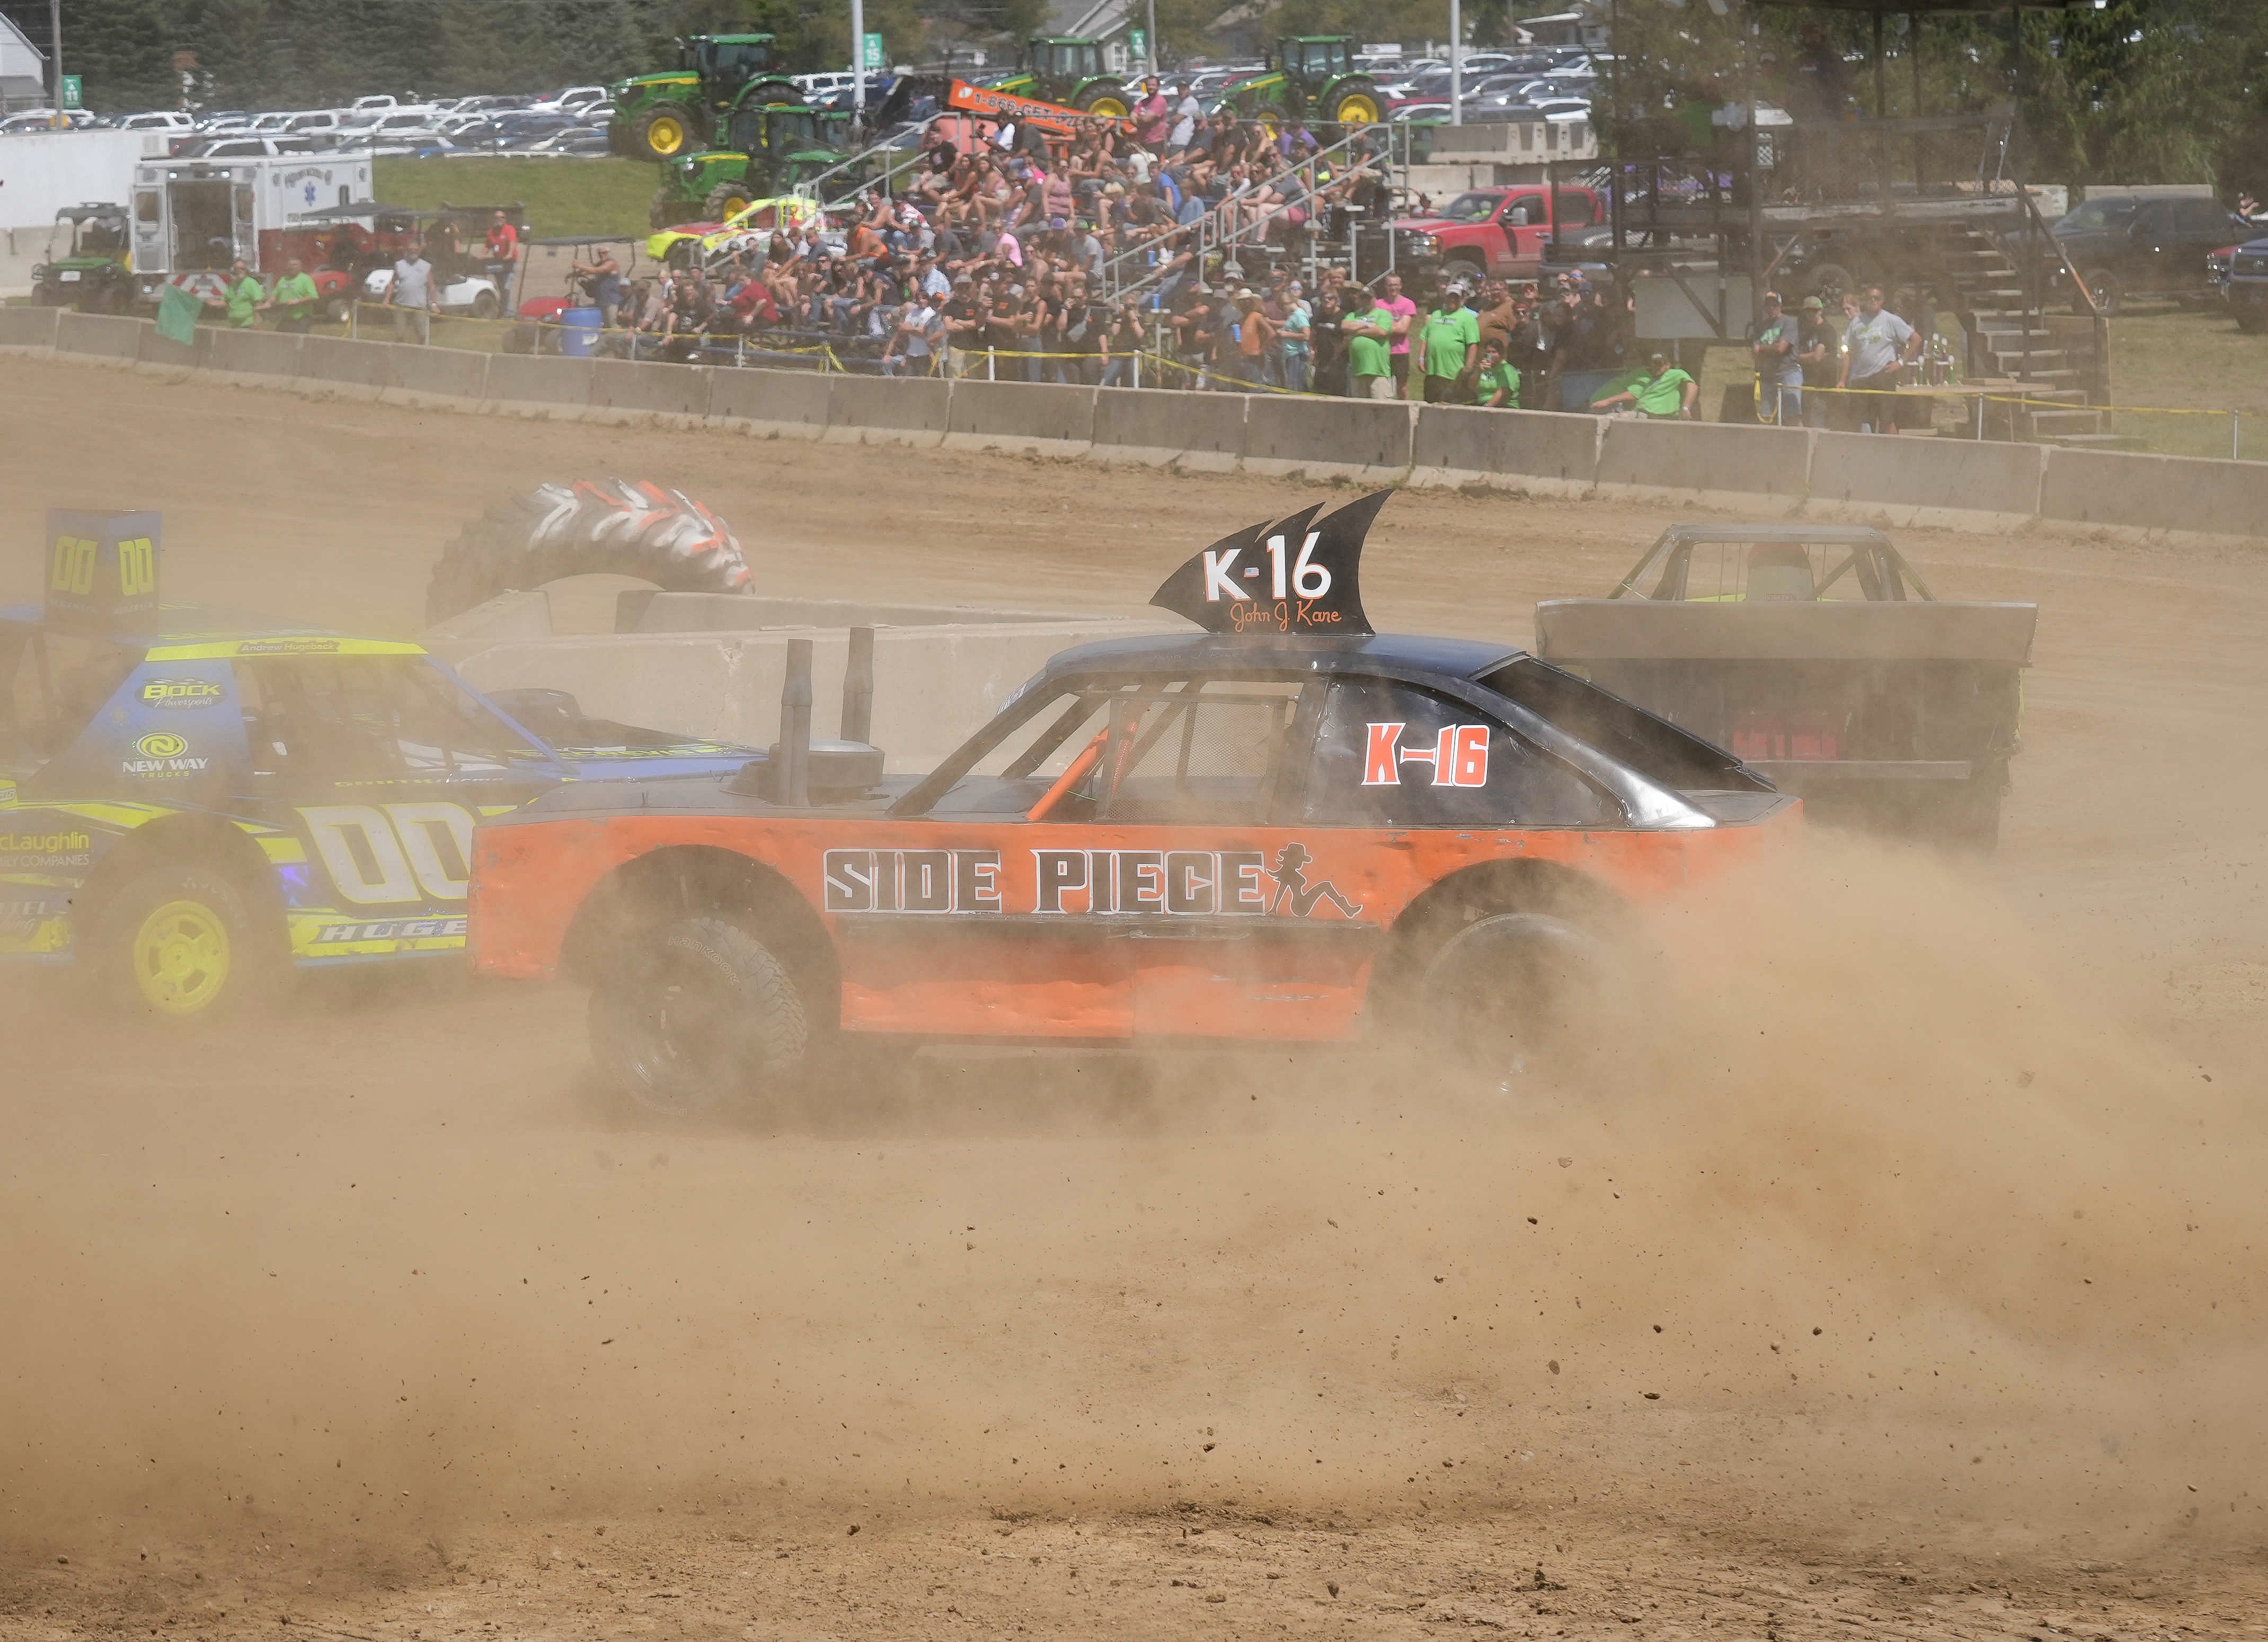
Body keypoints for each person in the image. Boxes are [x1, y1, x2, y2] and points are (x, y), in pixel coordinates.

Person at [1839, 284, 1920, 434]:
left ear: (1882, 300)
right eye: (1870, 298)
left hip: (1883, 374)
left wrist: (1901, 362)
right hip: (1861, 378)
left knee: (1886, 419)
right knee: (1859, 420)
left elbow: (1915, 339)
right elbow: (1848, 353)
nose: (1873, 301)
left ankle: (1892, 451)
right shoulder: (1856, 323)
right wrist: (1843, 379)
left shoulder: (1891, 320)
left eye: (1877, 298)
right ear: (1865, 300)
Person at [1413, 284, 1482, 404]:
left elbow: (1473, 344)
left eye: (1456, 297)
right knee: (1430, 407)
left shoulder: (1468, 318)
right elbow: (1425, 337)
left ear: (1462, 299)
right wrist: (1421, 358)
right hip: (1433, 373)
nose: (1452, 300)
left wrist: (1468, 368)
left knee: (1449, 409)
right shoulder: (1436, 314)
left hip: (1453, 374)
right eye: (1450, 297)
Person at [1749, 290, 1802, 425]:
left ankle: (1801, 442)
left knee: (1793, 416)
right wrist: (1764, 350)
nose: (1772, 308)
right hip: (1767, 376)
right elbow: (1754, 353)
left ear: (1780, 306)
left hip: (1788, 372)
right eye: (1769, 305)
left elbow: (1781, 349)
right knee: (1766, 417)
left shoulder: (1789, 323)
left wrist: (1762, 348)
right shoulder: (1760, 327)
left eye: (1775, 305)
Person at [1593, 351, 1697, 419]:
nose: (1656, 367)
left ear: (1668, 365)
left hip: (1661, 415)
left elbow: (1693, 386)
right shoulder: (1644, 376)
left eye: (1659, 364)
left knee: (1624, 417)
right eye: (1654, 363)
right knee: (1610, 418)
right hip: (1643, 411)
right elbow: (1635, 393)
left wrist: (1686, 408)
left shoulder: (1676, 374)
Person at [1796, 294, 1841, 429]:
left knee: (1818, 417)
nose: (1811, 314)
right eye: (1808, 311)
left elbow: (1817, 357)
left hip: (1823, 383)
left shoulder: (1827, 330)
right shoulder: (1805, 330)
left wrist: (1799, 357)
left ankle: (1819, 447)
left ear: (1821, 311)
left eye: (1814, 311)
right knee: (1807, 416)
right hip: (1809, 381)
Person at [1342, 287, 1396, 400]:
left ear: (1374, 299)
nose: (1366, 301)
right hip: (1358, 372)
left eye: (1368, 298)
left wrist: (1355, 331)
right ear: (1359, 300)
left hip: (1379, 372)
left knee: (1381, 411)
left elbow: (1381, 332)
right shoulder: (1353, 315)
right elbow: (1344, 327)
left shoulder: (1383, 314)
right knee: (1360, 412)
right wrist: (1367, 325)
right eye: (1363, 298)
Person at [1379, 271, 1417, 398]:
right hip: (1383, 350)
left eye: (1396, 285)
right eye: (1390, 285)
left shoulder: (1408, 304)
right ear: (1386, 286)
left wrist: (1382, 328)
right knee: (1383, 384)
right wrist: (1395, 326)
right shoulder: (1378, 304)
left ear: (1401, 286)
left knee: (1402, 387)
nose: (1393, 288)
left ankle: (1403, 410)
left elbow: (1403, 329)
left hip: (1400, 351)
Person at [387, 241, 434, 343]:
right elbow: (392, 284)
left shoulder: (426, 266)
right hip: (401, 305)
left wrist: (434, 304)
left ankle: (420, 354)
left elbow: (431, 286)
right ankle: (400, 353)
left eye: (416, 250)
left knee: (422, 334)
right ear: (406, 251)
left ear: (420, 251)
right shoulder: (399, 265)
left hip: (419, 306)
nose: (413, 252)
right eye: (410, 250)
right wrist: (386, 299)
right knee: (399, 334)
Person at [260, 257, 318, 332]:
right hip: (285, 317)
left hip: (301, 318)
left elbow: (313, 296)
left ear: (300, 267)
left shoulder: (306, 279)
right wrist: (268, 303)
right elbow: (275, 294)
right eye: (290, 265)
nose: (292, 267)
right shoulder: (283, 279)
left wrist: (297, 301)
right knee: (278, 339)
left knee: (299, 341)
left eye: (295, 265)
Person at [1278, 281, 1313, 394]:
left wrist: (1286, 334)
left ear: (1286, 303)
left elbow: (1306, 335)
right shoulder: (1293, 315)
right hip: (1291, 355)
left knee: (1296, 387)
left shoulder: (1300, 314)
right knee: (1292, 385)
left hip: (1297, 355)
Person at [212, 258, 263, 329]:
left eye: (242, 269)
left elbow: (258, 303)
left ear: (246, 270)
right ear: (234, 271)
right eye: (237, 269)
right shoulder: (232, 285)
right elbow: (226, 302)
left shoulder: (251, 283)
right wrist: (213, 303)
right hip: (234, 326)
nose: (240, 271)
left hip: (249, 325)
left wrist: (257, 321)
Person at [1472, 338, 1520, 409]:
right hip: (1482, 405)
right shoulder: (1483, 368)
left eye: (1494, 352)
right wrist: (1479, 371)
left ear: (1501, 354)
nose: (1491, 355)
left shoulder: (1507, 369)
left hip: (1504, 407)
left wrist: (1487, 407)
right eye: (1488, 352)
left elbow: (1504, 392)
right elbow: (1472, 386)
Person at [484, 210, 518, 285]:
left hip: (510, 263)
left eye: (502, 217)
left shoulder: (509, 229)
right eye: (497, 217)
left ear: (505, 220)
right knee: (501, 287)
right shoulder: (491, 232)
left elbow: (512, 242)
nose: (500, 219)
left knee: (506, 288)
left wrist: (510, 254)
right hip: (498, 262)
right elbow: (487, 246)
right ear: (494, 220)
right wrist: (482, 255)